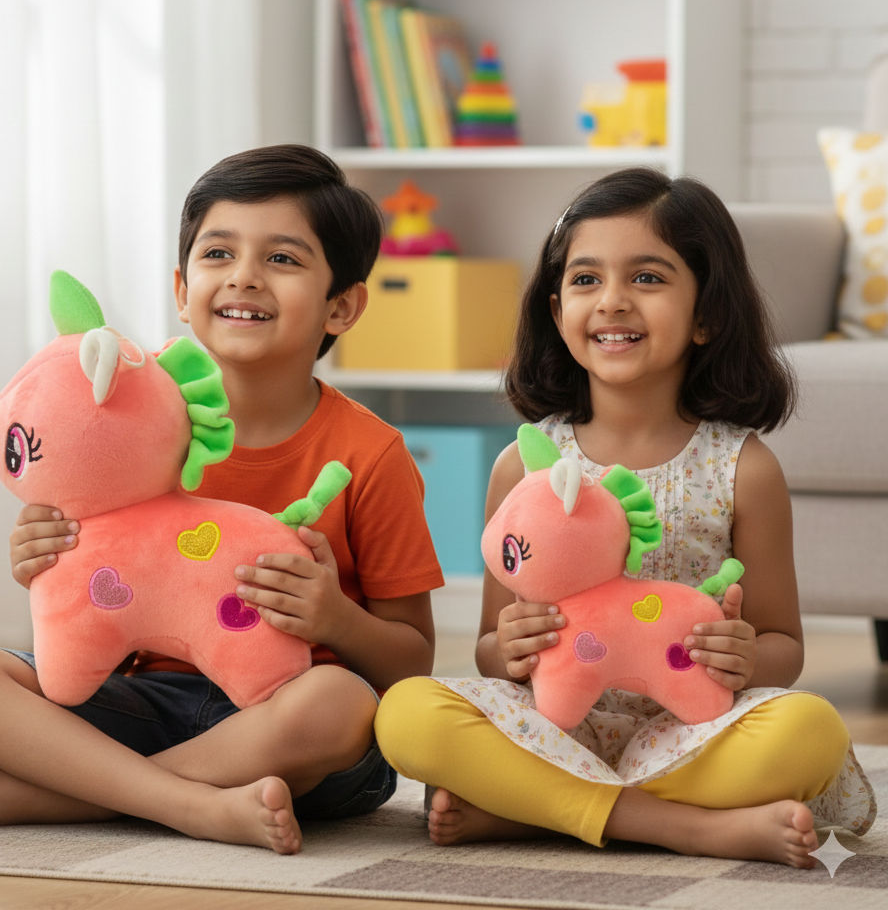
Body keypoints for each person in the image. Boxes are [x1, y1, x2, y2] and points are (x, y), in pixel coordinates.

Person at [0, 144, 444, 855]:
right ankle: (187, 804)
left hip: (288, 723)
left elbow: (410, 665)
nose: (244, 277)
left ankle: (84, 796)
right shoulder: (118, 416)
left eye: (282, 259)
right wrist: (44, 560)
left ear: (341, 305)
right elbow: (92, 610)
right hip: (143, 703)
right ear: (181, 289)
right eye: (218, 254)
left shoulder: (370, 453)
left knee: (342, 703)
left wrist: (335, 618)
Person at [375, 167, 876, 869]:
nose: (612, 300)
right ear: (557, 313)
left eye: (647, 277)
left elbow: (782, 645)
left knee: (811, 732)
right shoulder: (524, 466)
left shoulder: (744, 468)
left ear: (706, 315)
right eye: (586, 279)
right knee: (406, 714)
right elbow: (492, 647)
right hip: (555, 728)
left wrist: (744, 656)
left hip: (691, 733)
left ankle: (537, 811)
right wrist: (508, 646)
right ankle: (680, 827)